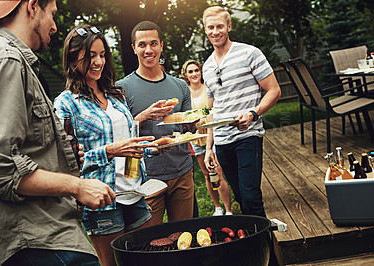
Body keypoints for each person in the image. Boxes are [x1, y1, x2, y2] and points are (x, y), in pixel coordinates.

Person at [0, 1, 116, 265]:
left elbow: (17, 148)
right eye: (52, 14)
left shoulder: (8, 57)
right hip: (33, 240)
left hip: (39, 238)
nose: (53, 26)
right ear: (32, 7)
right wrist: (78, 186)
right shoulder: (5, 59)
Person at [54, 25, 169, 266]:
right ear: (74, 58)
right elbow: (65, 161)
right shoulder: (65, 104)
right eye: (90, 56)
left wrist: (155, 147)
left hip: (135, 191)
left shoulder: (115, 95)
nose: (98, 62)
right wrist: (109, 151)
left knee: (148, 259)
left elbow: (128, 144)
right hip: (102, 200)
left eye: (102, 55)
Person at [202, 6, 281, 217]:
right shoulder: (207, 66)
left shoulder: (249, 53)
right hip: (222, 141)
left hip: (248, 135)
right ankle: (252, 243)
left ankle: (265, 247)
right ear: (205, 30)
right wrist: (209, 147)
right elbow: (211, 110)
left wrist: (253, 114)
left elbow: (274, 90)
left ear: (229, 26)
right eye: (211, 27)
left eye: (220, 26)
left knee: (251, 196)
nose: (215, 31)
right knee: (239, 196)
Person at [117, 21, 195, 225]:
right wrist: (143, 116)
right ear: (133, 48)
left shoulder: (180, 86)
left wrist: (195, 123)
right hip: (146, 177)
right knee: (151, 243)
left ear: (161, 45)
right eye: (142, 45)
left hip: (182, 171)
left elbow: (188, 127)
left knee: (184, 235)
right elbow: (117, 135)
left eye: (153, 43)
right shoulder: (121, 89)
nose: (149, 50)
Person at [181, 59, 232, 216]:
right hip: (197, 138)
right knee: (206, 174)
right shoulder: (185, 93)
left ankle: (228, 210)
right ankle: (217, 207)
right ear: (185, 75)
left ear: (201, 72)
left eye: (196, 70)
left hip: (212, 135)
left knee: (217, 171)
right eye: (190, 72)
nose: (194, 74)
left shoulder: (207, 89)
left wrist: (210, 141)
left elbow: (212, 116)